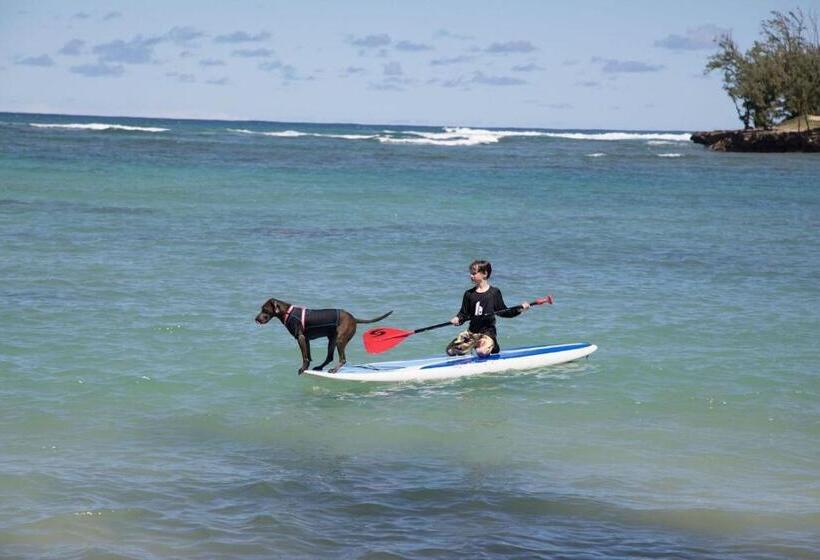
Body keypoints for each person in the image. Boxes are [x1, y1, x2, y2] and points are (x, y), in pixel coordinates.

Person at [446, 260, 530, 357]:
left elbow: (503, 312)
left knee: (481, 352)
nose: (471, 276)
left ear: (485, 274)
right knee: (450, 351)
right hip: (472, 333)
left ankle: (493, 346)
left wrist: (520, 309)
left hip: (487, 333)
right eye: (470, 273)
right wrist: (457, 319)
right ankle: (473, 346)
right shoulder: (468, 294)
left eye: (474, 273)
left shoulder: (494, 292)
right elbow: (464, 314)